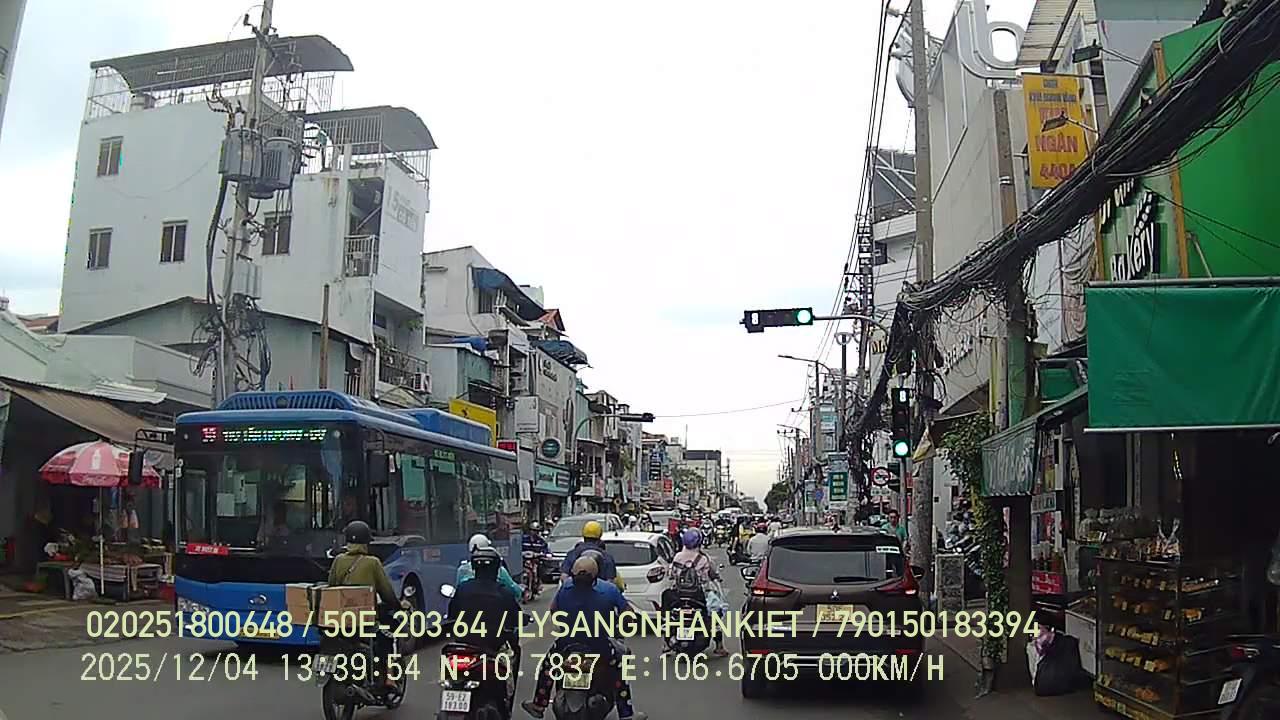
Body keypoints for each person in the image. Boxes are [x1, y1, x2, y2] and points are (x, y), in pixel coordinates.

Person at [522, 555, 646, 720]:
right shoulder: (609, 590)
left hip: (567, 645)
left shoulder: (565, 588)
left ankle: (539, 704)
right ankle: (626, 713)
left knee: (547, 666)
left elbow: (554, 611)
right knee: (619, 668)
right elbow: (628, 614)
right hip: (600, 646)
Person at [328, 521, 407, 689]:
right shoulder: (373, 562)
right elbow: (386, 592)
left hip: (340, 620)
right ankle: (389, 678)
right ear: (366, 542)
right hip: (365, 621)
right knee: (388, 637)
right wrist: (399, 605)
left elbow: (331, 587)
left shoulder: (338, 561)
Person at [448, 545, 522, 672]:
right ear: (496, 568)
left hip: (464, 642)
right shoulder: (504, 592)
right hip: (492, 645)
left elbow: (452, 612)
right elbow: (516, 617)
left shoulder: (463, 588)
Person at [664, 529, 730, 657]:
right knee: (716, 614)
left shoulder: (678, 557)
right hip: (700, 595)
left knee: (669, 614)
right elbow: (712, 574)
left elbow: (671, 574)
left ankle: (666, 644)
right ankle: (719, 646)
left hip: (679, 595)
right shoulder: (704, 558)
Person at [559, 521, 623, 591]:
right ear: (600, 535)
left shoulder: (572, 554)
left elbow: (564, 576)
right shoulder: (607, 557)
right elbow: (611, 581)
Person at [458, 534, 523, 602]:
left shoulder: (462, 570)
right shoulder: (500, 570)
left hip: (469, 607)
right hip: (495, 606)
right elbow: (515, 591)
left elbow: (458, 592)